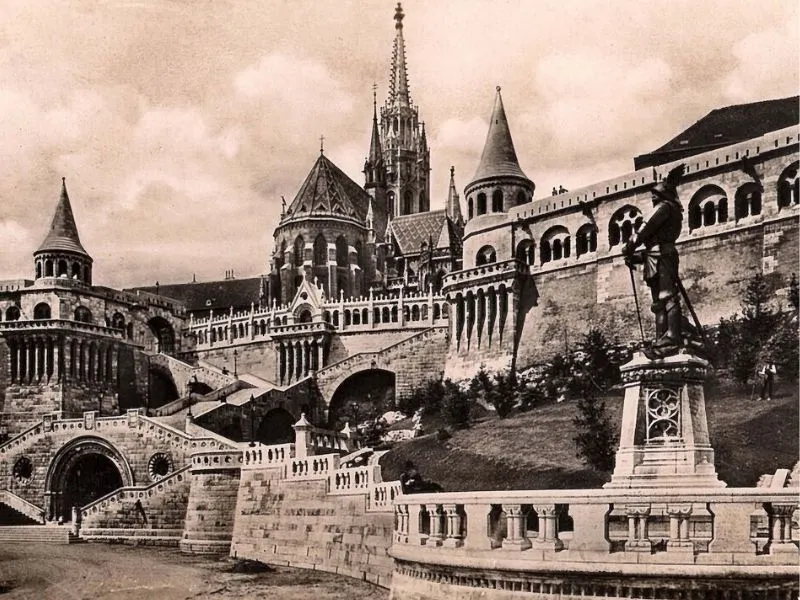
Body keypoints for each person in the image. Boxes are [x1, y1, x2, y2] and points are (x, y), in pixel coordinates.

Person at [623, 164, 700, 358]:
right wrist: (635, 257)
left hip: (663, 256)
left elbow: (646, 228)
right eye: (652, 195)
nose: (653, 197)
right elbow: (651, 248)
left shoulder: (665, 208)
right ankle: (661, 339)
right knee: (658, 302)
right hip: (656, 256)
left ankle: (672, 337)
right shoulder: (667, 208)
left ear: (665, 194)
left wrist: (631, 244)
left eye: (656, 194)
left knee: (667, 296)